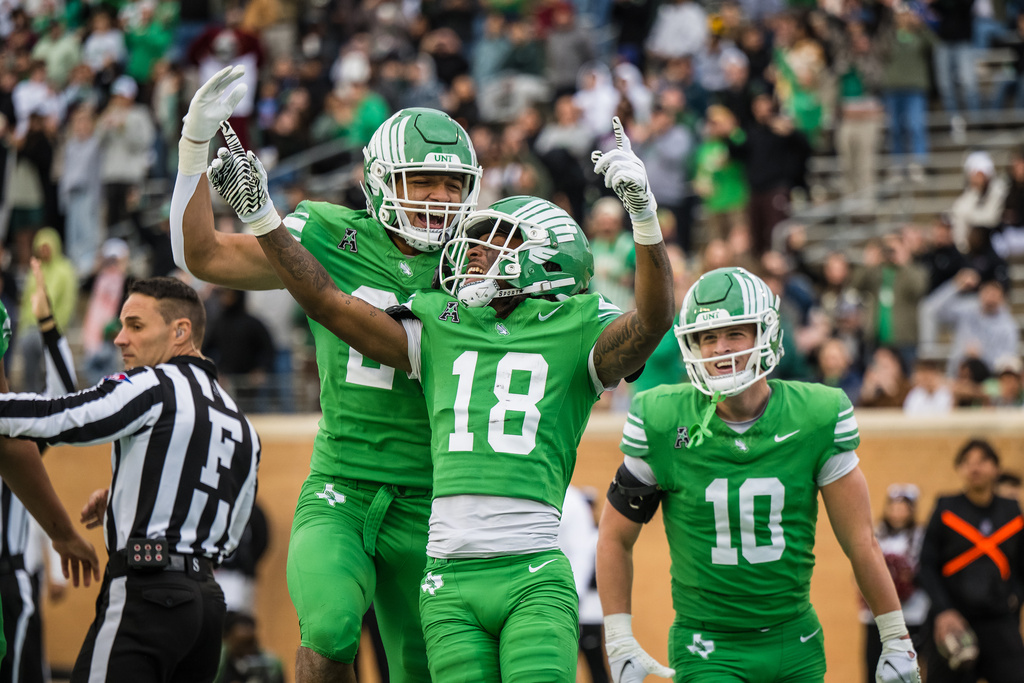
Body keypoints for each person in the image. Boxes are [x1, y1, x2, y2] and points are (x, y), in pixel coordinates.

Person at [209, 110, 673, 681]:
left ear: (545, 258)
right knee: (333, 630)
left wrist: (644, 220)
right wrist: (262, 218)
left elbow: (651, 322)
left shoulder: (576, 324)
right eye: (477, 240)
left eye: (495, 243)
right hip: (447, 566)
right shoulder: (442, 318)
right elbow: (329, 302)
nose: (472, 251)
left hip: (525, 563)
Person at [170, 66, 482, 683]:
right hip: (344, 483)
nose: (439, 198)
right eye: (422, 180)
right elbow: (200, 255)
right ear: (379, 181)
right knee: (333, 625)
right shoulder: (328, 234)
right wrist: (194, 148)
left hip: (435, 499)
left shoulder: (487, 257)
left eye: (453, 183)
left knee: (422, 669)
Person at [595, 266, 920, 683]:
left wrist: (895, 636)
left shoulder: (816, 415)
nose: (719, 349)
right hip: (707, 644)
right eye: (707, 338)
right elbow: (614, 537)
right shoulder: (663, 419)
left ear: (766, 334)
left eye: (735, 333)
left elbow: (861, 542)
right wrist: (619, 637)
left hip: (794, 640)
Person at [0, 277, 260, 683]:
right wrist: (130, 494)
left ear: (180, 332)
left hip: (147, 592)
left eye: (135, 326)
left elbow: (65, 415)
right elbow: (229, 531)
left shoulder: (155, 384)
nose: (120, 339)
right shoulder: (242, 425)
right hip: (208, 608)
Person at [0, 259, 98, 683]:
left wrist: (47, 323)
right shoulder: (11, 432)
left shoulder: (14, 428)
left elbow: (61, 402)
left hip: (11, 574)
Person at [918, 439, 1024, 682]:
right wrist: (943, 611)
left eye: (982, 461)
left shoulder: (1012, 512)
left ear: (996, 468)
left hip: (999, 623)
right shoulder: (946, 509)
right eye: (967, 462)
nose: (975, 468)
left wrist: (1015, 597)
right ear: (960, 469)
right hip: (954, 622)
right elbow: (926, 565)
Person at [860, 484, 930, 683]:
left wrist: (908, 580)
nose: (898, 511)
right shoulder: (875, 534)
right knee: (874, 664)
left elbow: (925, 571)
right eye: (894, 505)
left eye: (903, 506)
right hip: (875, 617)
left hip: (911, 615)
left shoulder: (921, 536)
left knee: (908, 668)